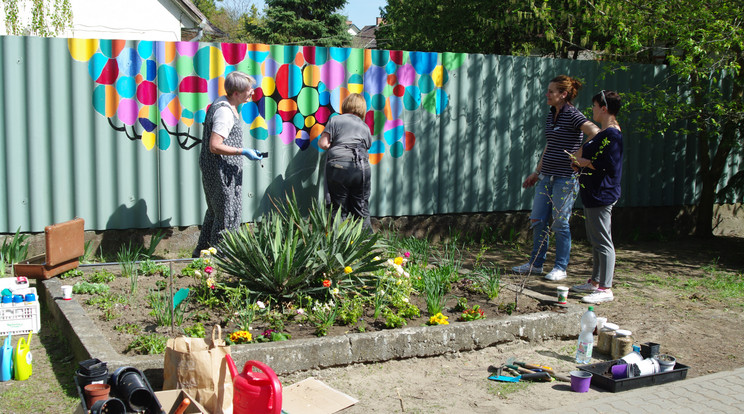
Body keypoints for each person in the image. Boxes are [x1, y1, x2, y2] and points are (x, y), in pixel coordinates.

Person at [512, 75, 599, 281]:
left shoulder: (573, 115)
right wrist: (537, 171)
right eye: (548, 91)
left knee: (560, 223)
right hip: (546, 177)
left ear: (563, 94)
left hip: (566, 179)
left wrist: (579, 155)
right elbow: (550, 145)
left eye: (551, 92)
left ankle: (560, 267)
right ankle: (536, 264)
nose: (547, 95)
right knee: (538, 219)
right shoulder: (552, 114)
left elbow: (595, 132)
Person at [193, 71, 263, 257]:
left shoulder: (223, 103)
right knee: (227, 214)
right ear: (236, 93)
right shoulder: (224, 112)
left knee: (216, 211)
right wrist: (243, 151)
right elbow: (215, 145)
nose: (252, 93)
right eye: (249, 90)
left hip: (221, 169)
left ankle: (202, 253)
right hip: (220, 170)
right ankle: (219, 258)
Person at [570, 90, 623, 303]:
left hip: (603, 194)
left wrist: (585, 163)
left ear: (604, 108)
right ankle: (595, 281)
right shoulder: (603, 133)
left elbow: (610, 166)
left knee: (603, 241)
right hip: (592, 193)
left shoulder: (613, 134)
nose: (591, 110)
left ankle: (605, 289)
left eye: (594, 106)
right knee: (596, 239)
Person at [318, 93, 373, 230]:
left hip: (338, 166)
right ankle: (365, 245)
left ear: (345, 105)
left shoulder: (335, 120)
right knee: (361, 208)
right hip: (361, 169)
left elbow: (324, 144)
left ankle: (339, 246)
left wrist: (336, 147)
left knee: (338, 209)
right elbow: (367, 147)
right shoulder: (365, 127)